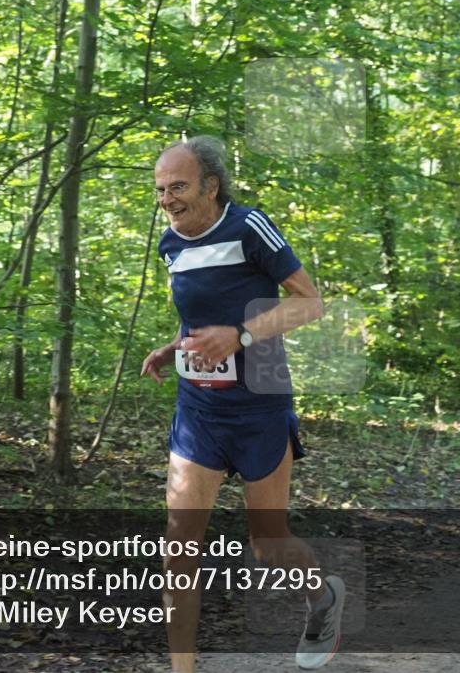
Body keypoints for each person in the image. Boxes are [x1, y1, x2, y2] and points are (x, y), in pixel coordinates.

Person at [140, 136, 345, 672]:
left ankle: (322, 597)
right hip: (198, 413)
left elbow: (310, 302)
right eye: (160, 190)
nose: (167, 199)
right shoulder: (170, 244)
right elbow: (196, 313)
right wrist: (175, 346)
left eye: (178, 187)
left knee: (268, 545)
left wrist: (241, 335)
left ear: (211, 185)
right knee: (178, 549)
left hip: (260, 407)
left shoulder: (249, 226)